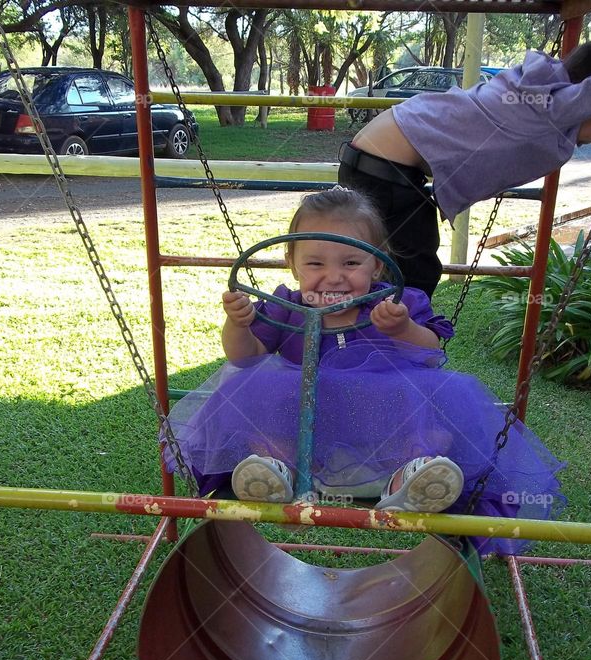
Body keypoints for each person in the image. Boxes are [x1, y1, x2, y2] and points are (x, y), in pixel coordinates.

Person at [164, 188, 564, 554]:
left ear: (377, 265)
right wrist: (237, 324)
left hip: (385, 431)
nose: (334, 276)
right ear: (292, 263)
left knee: (435, 425)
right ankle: (277, 474)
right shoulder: (286, 306)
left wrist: (402, 329)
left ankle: (403, 483)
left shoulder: (394, 304)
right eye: (315, 262)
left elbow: (430, 354)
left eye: (351, 262)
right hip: (304, 432)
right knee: (256, 393)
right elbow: (244, 357)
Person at [338, 0, 591, 298]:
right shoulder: (551, 108)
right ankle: (393, 363)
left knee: (397, 275)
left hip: (383, 165)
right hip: (384, 171)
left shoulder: (546, 89)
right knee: (410, 278)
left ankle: (385, 358)